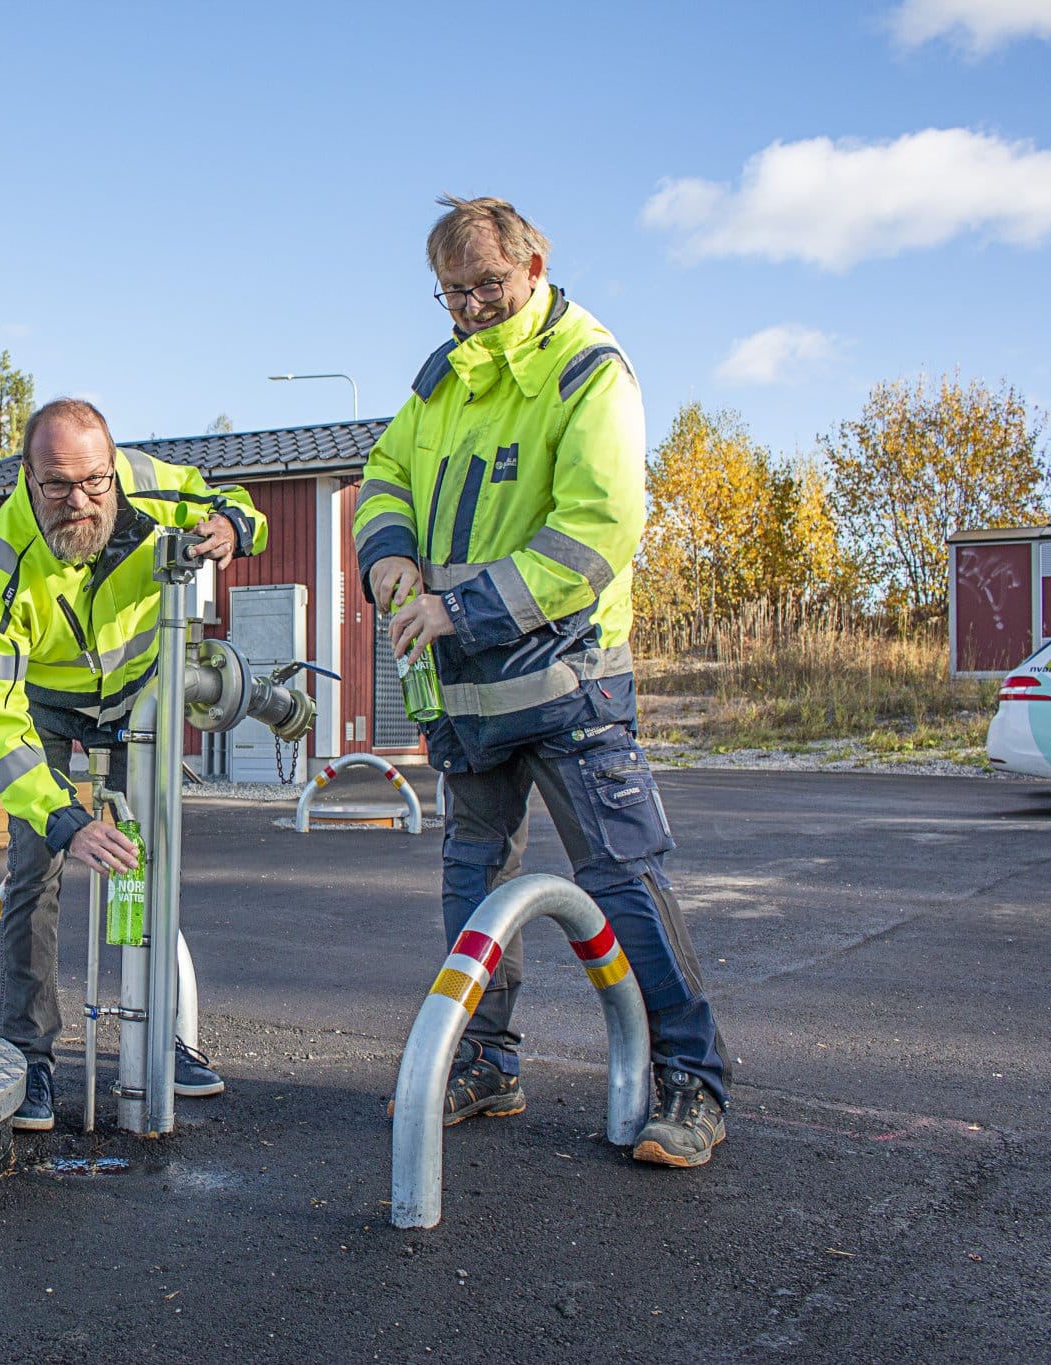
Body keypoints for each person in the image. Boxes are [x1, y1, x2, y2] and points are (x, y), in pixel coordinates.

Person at [355, 196, 731, 1167]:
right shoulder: (438, 383)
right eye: (454, 292)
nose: (473, 305)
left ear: (532, 264)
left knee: (621, 880)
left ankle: (690, 1082)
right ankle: (485, 1065)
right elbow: (384, 473)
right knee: (471, 882)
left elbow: (595, 534)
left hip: (565, 686)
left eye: (487, 283)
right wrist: (387, 555)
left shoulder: (586, 370)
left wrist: (460, 611)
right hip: (467, 693)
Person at [0, 397, 267, 1131]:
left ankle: (155, 1031)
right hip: (47, 701)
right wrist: (65, 819)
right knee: (36, 866)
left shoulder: (149, 483)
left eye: (95, 482)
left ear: (113, 467)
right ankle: (29, 1056)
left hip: (138, 693)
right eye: (58, 485)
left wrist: (233, 528)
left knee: (146, 860)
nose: (82, 501)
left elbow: (236, 504)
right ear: (28, 479)